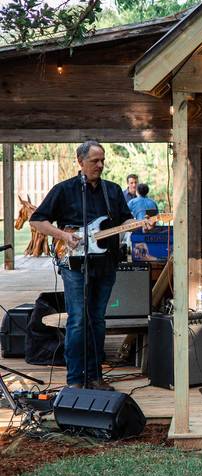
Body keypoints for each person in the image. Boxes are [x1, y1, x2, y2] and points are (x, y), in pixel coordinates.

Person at [29, 141, 151, 389]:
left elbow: (124, 219)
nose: (100, 165)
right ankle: (75, 380)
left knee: (97, 320)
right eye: (95, 160)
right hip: (74, 264)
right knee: (77, 320)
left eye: (103, 160)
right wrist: (63, 236)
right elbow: (37, 220)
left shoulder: (113, 190)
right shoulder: (64, 190)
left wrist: (139, 223)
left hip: (105, 264)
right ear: (80, 161)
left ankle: (95, 376)